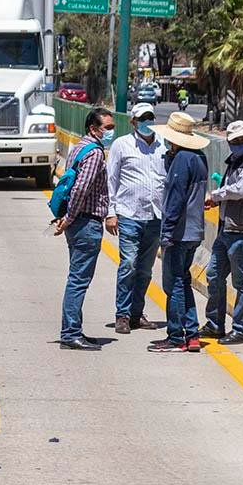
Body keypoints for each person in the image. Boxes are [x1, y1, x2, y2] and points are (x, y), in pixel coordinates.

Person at [201, 120, 243, 344]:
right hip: (228, 228)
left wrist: (216, 195)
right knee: (214, 274)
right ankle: (214, 324)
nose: (240, 143)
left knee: (242, 282)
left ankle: (241, 328)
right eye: (236, 141)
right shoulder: (236, 160)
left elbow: (241, 190)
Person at [147, 112, 209, 352]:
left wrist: (167, 233)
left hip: (179, 233)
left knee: (173, 286)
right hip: (194, 232)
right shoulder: (198, 158)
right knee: (183, 283)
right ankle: (192, 334)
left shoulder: (182, 159)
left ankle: (176, 336)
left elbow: (175, 200)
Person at [54, 107, 115, 351]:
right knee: (78, 280)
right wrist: (69, 217)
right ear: (93, 128)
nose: (111, 132)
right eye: (108, 128)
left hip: (80, 222)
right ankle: (70, 333)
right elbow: (80, 188)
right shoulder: (95, 154)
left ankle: (73, 329)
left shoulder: (80, 147)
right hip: (86, 222)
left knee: (77, 278)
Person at [105, 102, 165, 334]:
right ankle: (122, 314)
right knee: (128, 264)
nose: (147, 122)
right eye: (143, 118)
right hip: (129, 213)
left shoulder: (163, 145)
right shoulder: (122, 145)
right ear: (133, 122)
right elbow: (111, 179)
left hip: (155, 215)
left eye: (150, 117)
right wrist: (111, 213)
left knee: (145, 269)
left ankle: (137, 314)